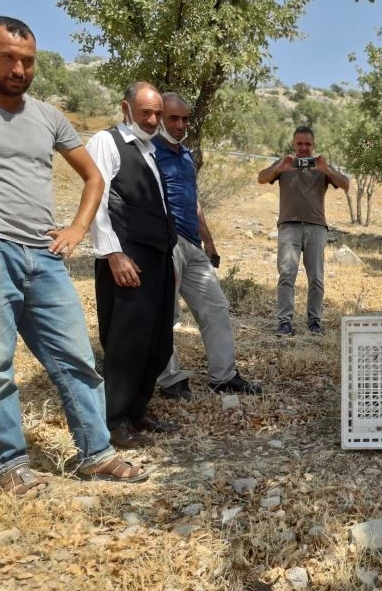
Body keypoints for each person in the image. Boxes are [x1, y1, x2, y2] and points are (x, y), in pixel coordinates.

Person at [0, 16, 150, 495]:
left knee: (77, 358)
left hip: (44, 256)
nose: (18, 69)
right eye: (7, 58)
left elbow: (93, 176)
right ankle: (9, 464)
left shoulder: (48, 116)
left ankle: (95, 455)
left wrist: (79, 227)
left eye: (27, 61)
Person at [87, 81, 179, 448]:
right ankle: (112, 421)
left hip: (157, 259)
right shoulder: (106, 142)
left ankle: (137, 410)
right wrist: (113, 254)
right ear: (126, 109)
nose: (153, 120)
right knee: (126, 344)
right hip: (126, 260)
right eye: (146, 113)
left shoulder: (150, 150)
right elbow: (95, 202)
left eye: (157, 113)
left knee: (157, 342)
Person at [153, 92, 261, 399]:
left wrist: (209, 241)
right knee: (166, 314)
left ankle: (223, 376)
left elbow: (193, 201)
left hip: (193, 244)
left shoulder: (186, 156)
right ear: (159, 118)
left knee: (216, 306)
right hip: (167, 242)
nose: (180, 125)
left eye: (185, 119)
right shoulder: (149, 152)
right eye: (173, 118)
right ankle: (170, 380)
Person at [257, 125, 350, 336]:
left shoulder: (321, 165)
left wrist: (327, 171)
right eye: (299, 143)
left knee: (316, 278)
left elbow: (346, 184)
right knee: (286, 274)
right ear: (293, 144)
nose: (303, 148)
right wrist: (278, 169)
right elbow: (261, 178)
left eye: (308, 144)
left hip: (316, 227)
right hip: (289, 226)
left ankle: (314, 321)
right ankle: (285, 322)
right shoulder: (284, 162)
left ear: (313, 145)